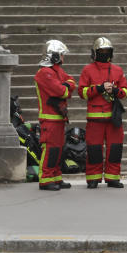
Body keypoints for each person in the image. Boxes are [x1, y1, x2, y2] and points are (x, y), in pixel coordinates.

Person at [78, 37, 127, 188]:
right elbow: (82, 92)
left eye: (107, 51)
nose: (104, 53)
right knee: (94, 149)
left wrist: (115, 90)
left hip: (113, 118)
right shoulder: (87, 70)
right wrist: (99, 88)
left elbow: (126, 92)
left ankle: (112, 178)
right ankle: (93, 178)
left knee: (115, 149)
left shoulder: (118, 70)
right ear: (95, 52)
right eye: (101, 51)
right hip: (95, 119)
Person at [33, 39, 76, 191]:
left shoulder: (57, 71)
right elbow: (61, 91)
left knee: (58, 150)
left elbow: (71, 82)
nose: (63, 58)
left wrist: (67, 86)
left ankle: (56, 177)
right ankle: (45, 179)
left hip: (58, 118)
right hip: (49, 119)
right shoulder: (44, 73)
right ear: (54, 55)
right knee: (50, 149)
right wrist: (66, 88)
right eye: (62, 55)